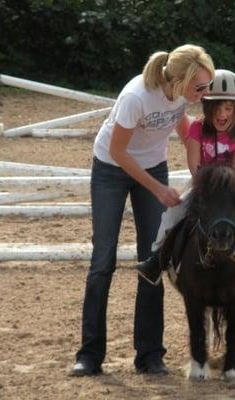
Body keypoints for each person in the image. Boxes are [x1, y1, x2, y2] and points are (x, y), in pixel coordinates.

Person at [70, 44, 215, 377]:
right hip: (111, 168)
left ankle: (150, 354)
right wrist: (158, 188)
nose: (204, 93)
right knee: (102, 260)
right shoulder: (136, 96)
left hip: (153, 165)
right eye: (199, 87)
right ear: (179, 81)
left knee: (153, 260)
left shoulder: (181, 98)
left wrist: (209, 166)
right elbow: (119, 152)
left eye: (206, 87)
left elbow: (187, 133)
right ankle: (90, 354)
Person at [136, 69, 235, 287]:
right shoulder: (197, 129)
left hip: (234, 189)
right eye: (217, 108)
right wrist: (209, 183)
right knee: (172, 215)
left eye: (229, 108)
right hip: (203, 188)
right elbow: (194, 166)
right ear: (207, 107)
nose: (222, 114)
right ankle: (156, 261)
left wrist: (222, 182)